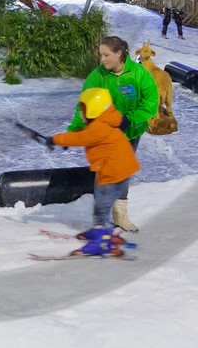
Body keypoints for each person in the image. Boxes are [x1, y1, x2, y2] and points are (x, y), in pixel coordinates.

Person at [67, 35, 158, 232]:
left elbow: (151, 102)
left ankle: (120, 216)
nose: (102, 59)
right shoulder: (98, 76)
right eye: (101, 55)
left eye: (106, 55)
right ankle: (100, 220)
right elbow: (83, 108)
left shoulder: (138, 73)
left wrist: (130, 119)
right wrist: (73, 132)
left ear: (119, 54)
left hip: (131, 132)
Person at [50, 86, 141, 254]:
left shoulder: (98, 128)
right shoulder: (107, 119)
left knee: (101, 208)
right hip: (117, 170)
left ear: (93, 110)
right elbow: (84, 136)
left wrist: (56, 139)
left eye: (83, 109)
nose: (81, 113)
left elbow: (79, 137)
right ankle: (104, 231)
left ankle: (102, 240)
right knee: (101, 201)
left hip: (112, 173)